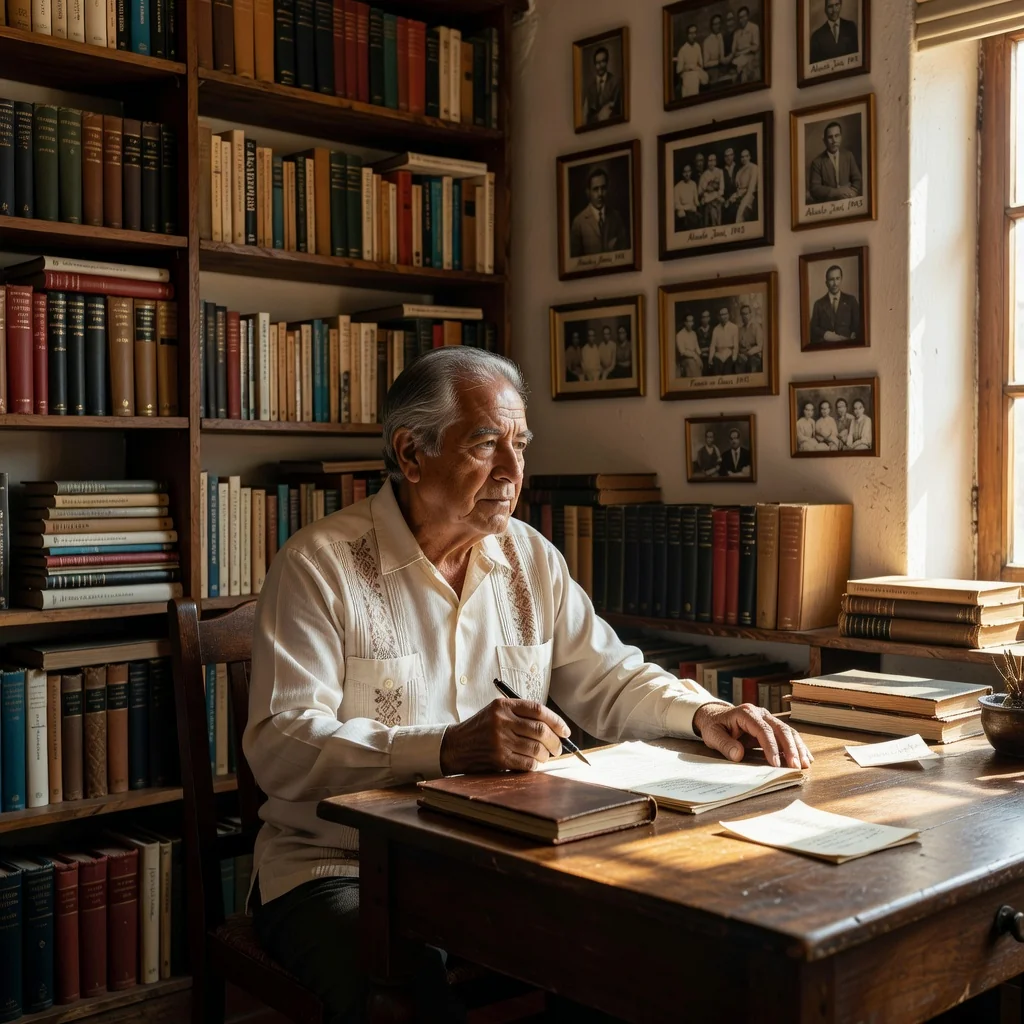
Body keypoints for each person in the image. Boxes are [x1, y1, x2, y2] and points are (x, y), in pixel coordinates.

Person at [245, 348, 812, 1022]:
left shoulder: (529, 557)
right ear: (410, 453)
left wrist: (705, 712)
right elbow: (281, 746)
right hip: (337, 868)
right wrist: (447, 748)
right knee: (410, 993)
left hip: (500, 860)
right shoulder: (319, 567)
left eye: (520, 444)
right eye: (487, 444)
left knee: (627, 960)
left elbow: (608, 674)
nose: (515, 472)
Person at [570, 166, 628, 257]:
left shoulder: (616, 217)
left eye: (603, 188)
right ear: (588, 192)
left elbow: (625, 252)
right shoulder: (578, 222)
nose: (600, 194)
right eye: (595, 189)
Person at [808, 121, 862, 203]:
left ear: (841, 137)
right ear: (824, 140)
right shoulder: (817, 162)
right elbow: (815, 189)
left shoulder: (848, 156)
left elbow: (857, 179)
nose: (834, 140)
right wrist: (838, 192)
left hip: (848, 201)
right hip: (828, 205)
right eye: (830, 137)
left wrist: (853, 192)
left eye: (837, 136)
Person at [809, 264, 861, 346]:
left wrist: (853, 335)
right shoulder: (818, 304)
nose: (835, 283)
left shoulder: (851, 300)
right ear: (826, 283)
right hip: (825, 349)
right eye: (831, 280)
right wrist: (825, 334)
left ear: (841, 279)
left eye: (837, 279)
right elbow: (813, 329)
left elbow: (859, 325)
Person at [581, 44, 622, 125]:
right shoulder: (590, 88)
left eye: (602, 62)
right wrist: (598, 117)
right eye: (597, 63)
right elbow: (585, 120)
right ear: (594, 65)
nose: (600, 66)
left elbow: (619, 112)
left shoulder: (616, 82)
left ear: (607, 62)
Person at [809, 0, 859, 65]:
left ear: (841, 5)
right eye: (830, 6)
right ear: (825, 10)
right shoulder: (817, 36)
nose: (834, 10)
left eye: (837, 5)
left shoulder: (851, 27)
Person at [675, 23, 706, 98]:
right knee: (690, 80)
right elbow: (679, 70)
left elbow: (701, 64)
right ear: (687, 35)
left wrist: (696, 68)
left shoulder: (697, 46)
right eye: (690, 33)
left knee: (697, 77)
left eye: (694, 33)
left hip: (696, 72)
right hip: (686, 75)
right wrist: (688, 68)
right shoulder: (683, 50)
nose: (693, 36)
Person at [731, 6, 761, 83]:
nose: (741, 20)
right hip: (738, 59)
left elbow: (756, 47)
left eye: (743, 17)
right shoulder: (736, 33)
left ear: (747, 16)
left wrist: (744, 51)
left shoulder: (754, 28)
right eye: (740, 18)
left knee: (745, 69)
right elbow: (733, 51)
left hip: (751, 57)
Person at [708, 305, 738, 375]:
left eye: (725, 314)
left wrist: (734, 357)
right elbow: (712, 345)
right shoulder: (716, 329)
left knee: (728, 371)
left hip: (729, 353)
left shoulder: (734, 327)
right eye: (721, 315)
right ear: (718, 317)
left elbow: (736, 346)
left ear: (728, 315)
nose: (723, 317)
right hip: (718, 354)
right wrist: (710, 358)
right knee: (716, 370)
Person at [699, 152, 725, 227]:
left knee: (717, 205)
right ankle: (715, 226)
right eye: (710, 161)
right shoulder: (704, 175)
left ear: (716, 161)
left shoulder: (720, 172)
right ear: (707, 162)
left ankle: (718, 226)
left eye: (713, 160)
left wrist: (715, 195)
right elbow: (701, 192)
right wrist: (710, 194)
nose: (711, 163)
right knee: (713, 209)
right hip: (709, 200)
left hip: (717, 198)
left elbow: (721, 190)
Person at [702, 14, 729, 87]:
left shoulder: (720, 36)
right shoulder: (707, 42)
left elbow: (722, 56)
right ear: (712, 26)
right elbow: (705, 63)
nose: (718, 26)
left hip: (722, 69)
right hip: (712, 70)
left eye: (719, 23)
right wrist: (718, 62)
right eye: (715, 24)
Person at [736, 304, 763, 374]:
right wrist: (739, 354)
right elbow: (738, 346)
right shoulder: (740, 329)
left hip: (754, 355)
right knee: (737, 362)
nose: (744, 316)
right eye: (742, 314)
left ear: (750, 314)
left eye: (746, 314)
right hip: (743, 356)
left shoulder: (756, 327)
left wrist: (747, 354)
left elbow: (760, 346)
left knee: (752, 363)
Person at [734, 148, 759, 222]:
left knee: (741, 210)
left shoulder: (754, 168)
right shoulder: (739, 171)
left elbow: (751, 188)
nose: (744, 158)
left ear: (749, 157)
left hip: (751, 194)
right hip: (740, 194)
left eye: (746, 156)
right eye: (742, 157)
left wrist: (742, 197)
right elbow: (738, 187)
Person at [673, 164, 701, 231]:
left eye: (688, 171)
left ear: (691, 172)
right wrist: (688, 207)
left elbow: (696, 202)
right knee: (681, 215)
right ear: (682, 173)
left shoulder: (693, 184)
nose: (687, 174)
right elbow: (676, 206)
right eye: (685, 172)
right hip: (683, 212)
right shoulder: (677, 187)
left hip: (692, 212)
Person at [676, 313, 703, 378]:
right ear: (685, 323)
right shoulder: (679, 335)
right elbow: (682, 352)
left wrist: (699, 357)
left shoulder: (693, 333)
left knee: (700, 364)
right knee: (692, 364)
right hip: (685, 358)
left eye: (692, 321)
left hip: (695, 357)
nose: (691, 323)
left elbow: (697, 347)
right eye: (689, 321)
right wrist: (694, 356)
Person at [721, 148, 739, 224]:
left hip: (738, 196)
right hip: (726, 199)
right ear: (724, 158)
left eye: (730, 155)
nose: (728, 158)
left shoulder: (739, 168)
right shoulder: (721, 171)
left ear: (733, 156)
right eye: (726, 156)